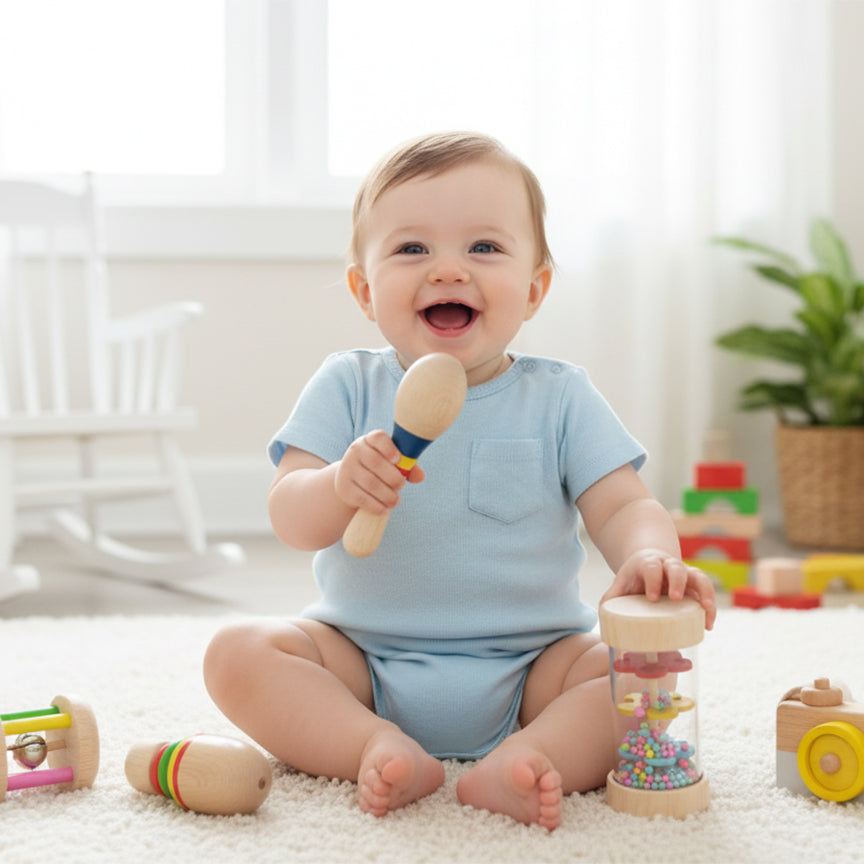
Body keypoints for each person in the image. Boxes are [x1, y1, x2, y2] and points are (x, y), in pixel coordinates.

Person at [203, 131, 716, 832]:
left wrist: (651, 557)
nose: (448, 270)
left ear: (534, 290)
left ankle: (529, 757)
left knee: (635, 677)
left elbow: (624, 502)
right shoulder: (347, 385)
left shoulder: (562, 397)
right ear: (364, 289)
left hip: (538, 666)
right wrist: (337, 488)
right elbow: (291, 515)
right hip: (361, 661)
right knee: (237, 655)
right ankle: (373, 745)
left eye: (484, 248)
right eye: (412, 249)